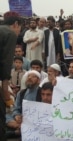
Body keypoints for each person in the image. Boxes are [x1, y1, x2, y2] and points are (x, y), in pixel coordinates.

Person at [0, 11, 22, 140]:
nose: (19, 31)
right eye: (20, 28)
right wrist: (5, 93)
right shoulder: (10, 34)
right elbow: (6, 63)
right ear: (15, 24)